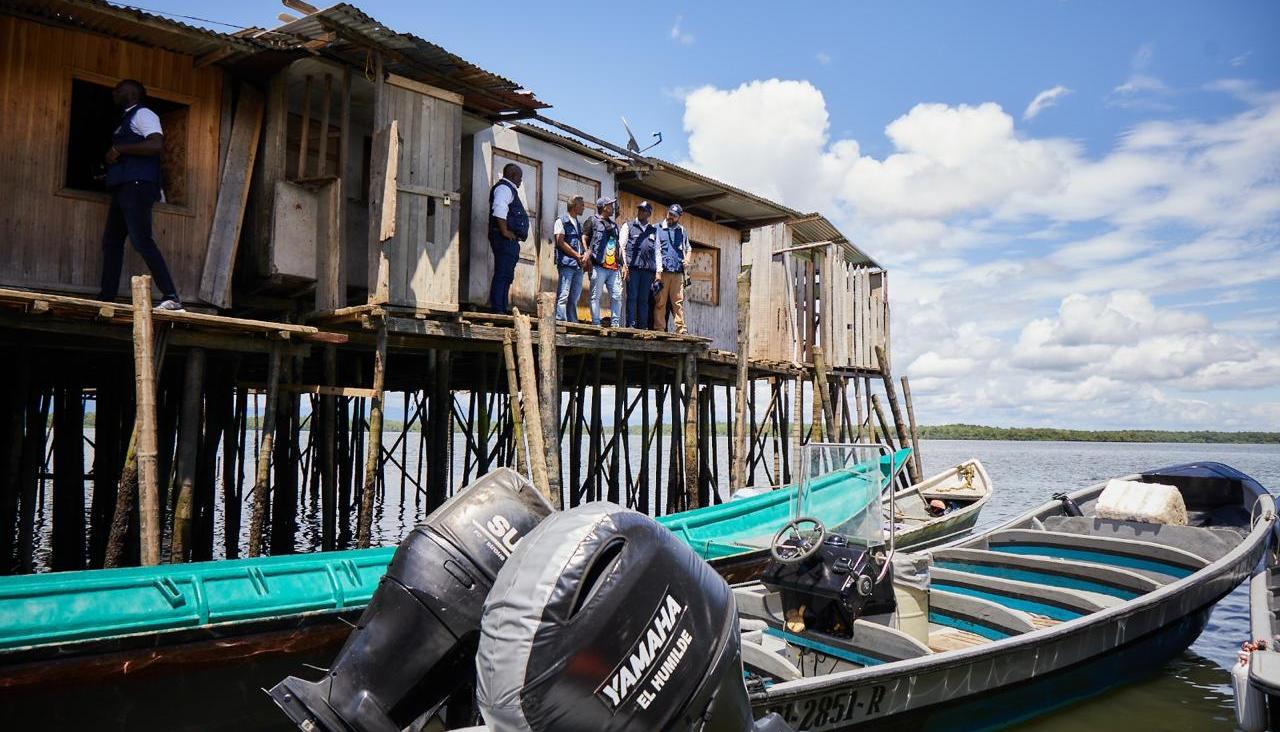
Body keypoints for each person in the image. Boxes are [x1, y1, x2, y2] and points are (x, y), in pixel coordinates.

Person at [97, 79, 182, 310]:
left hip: (137, 185)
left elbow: (156, 145)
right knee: (111, 242)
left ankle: (171, 297)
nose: (114, 92)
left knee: (141, 240)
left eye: (119, 89)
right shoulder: (125, 119)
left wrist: (119, 149)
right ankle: (107, 298)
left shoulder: (144, 114)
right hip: (123, 186)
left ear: (132, 93)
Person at [488, 162, 529, 314]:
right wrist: (504, 231)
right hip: (503, 239)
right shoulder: (505, 188)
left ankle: (501, 308)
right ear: (513, 175)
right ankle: (498, 309)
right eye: (520, 177)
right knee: (503, 273)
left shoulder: (509, 189)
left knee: (506, 274)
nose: (521, 181)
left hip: (508, 240)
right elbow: (499, 207)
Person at [584, 196, 624, 327]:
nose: (613, 208)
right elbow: (584, 238)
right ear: (604, 207)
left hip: (613, 268)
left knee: (617, 295)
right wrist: (587, 254)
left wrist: (622, 264)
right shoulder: (592, 221)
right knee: (595, 296)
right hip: (598, 266)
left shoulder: (614, 225)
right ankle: (596, 323)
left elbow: (618, 245)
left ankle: (615, 324)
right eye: (610, 205)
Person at [653, 203, 690, 335]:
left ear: (679, 217)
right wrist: (657, 272)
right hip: (663, 272)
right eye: (670, 214)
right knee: (660, 302)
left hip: (678, 272)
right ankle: (659, 328)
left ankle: (681, 329)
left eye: (674, 215)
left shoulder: (682, 230)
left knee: (677, 303)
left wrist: (687, 260)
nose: (670, 217)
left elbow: (688, 248)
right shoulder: (657, 228)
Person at [620, 201, 658, 329]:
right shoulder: (628, 226)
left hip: (648, 271)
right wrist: (624, 266)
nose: (640, 212)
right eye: (640, 209)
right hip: (633, 268)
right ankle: (631, 325)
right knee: (632, 297)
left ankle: (643, 327)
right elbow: (621, 247)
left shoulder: (653, 231)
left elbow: (657, 252)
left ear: (649, 214)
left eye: (644, 210)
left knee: (644, 299)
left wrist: (658, 271)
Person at [553, 195, 589, 322]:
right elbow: (560, 242)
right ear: (574, 206)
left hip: (577, 266)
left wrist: (584, 255)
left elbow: (579, 243)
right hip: (567, 264)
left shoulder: (578, 224)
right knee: (563, 294)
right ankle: (560, 320)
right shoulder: (561, 221)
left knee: (574, 296)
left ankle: (572, 321)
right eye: (582, 205)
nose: (584, 207)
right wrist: (576, 255)